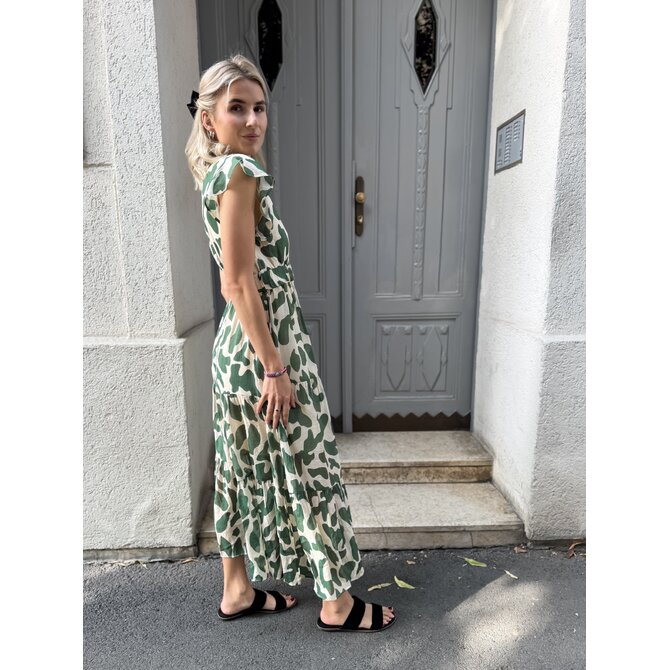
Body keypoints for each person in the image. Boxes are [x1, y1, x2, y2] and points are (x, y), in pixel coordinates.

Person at [184, 54, 396, 633]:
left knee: (236, 470)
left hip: (235, 351)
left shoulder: (217, 174)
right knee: (311, 466)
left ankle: (236, 589)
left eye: (259, 108)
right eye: (237, 108)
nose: (253, 120)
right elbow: (237, 282)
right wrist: (275, 368)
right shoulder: (239, 173)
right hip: (265, 352)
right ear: (209, 118)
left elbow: (235, 279)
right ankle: (337, 603)